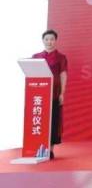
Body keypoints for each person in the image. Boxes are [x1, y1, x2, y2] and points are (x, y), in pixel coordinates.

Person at [32, 30, 68, 159]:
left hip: (54, 93)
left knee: (53, 120)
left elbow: (63, 75)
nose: (49, 42)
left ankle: (50, 149)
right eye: (46, 39)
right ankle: (36, 147)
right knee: (38, 120)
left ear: (55, 41)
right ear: (43, 40)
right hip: (38, 95)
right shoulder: (36, 57)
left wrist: (62, 92)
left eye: (52, 39)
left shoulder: (61, 57)